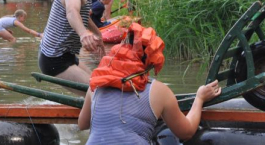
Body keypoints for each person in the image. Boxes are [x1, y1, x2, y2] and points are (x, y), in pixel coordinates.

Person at [78, 22, 221, 144]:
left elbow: (82, 123)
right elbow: (187, 132)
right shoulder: (159, 91)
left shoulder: (97, 84)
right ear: (152, 62)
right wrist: (199, 98)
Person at [39, 0, 108, 89]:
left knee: (99, 84)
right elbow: (72, 12)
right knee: (97, 94)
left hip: (67, 56)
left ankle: (85, 108)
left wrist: (97, 34)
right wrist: (83, 34)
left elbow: (83, 15)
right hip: (54, 60)